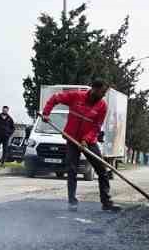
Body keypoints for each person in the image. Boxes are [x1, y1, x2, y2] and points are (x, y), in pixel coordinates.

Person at [43, 80, 118, 212]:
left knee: (102, 171)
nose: (103, 95)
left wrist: (85, 140)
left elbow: (96, 127)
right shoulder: (76, 96)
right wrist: (46, 113)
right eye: (102, 92)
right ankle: (72, 202)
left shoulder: (102, 106)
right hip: (72, 139)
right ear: (94, 89)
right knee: (72, 170)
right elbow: (55, 98)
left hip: (89, 141)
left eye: (105, 93)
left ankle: (106, 202)